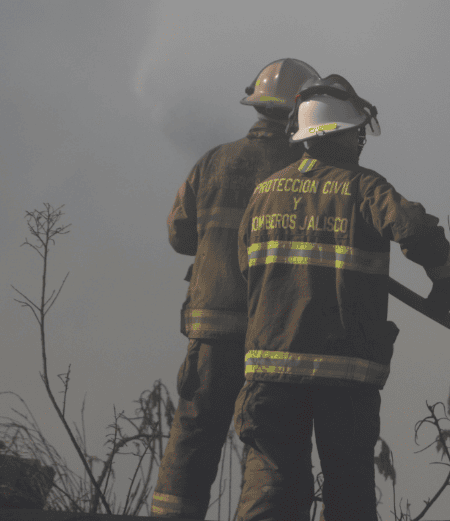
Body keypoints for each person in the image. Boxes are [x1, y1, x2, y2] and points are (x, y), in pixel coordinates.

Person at [235, 74, 450, 521]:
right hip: (345, 373)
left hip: (271, 372)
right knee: (349, 492)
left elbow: (248, 271)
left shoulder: (262, 195)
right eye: (356, 130)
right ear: (343, 134)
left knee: (271, 491)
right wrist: (446, 279)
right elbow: (416, 230)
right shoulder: (364, 188)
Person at [153, 58, 320, 519]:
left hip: (209, 329)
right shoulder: (309, 174)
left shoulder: (214, 162)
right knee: (268, 443)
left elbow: (179, 236)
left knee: (192, 437)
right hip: (275, 337)